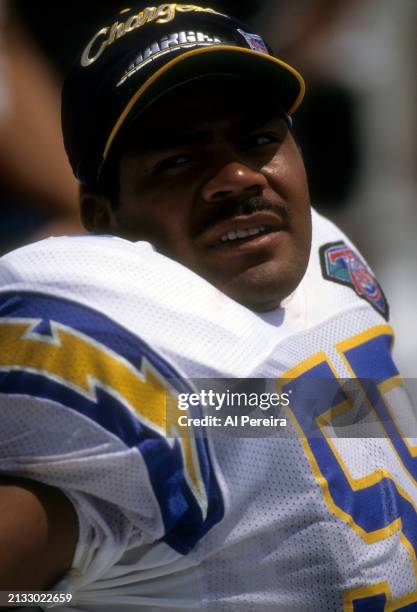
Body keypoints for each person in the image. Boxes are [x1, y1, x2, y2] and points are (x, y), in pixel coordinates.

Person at [0, 3, 416, 610]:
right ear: (100, 218)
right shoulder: (120, 346)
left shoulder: (327, 258)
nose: (239, 178)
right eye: (179, 162)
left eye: (259, 140)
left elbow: (271, 417)